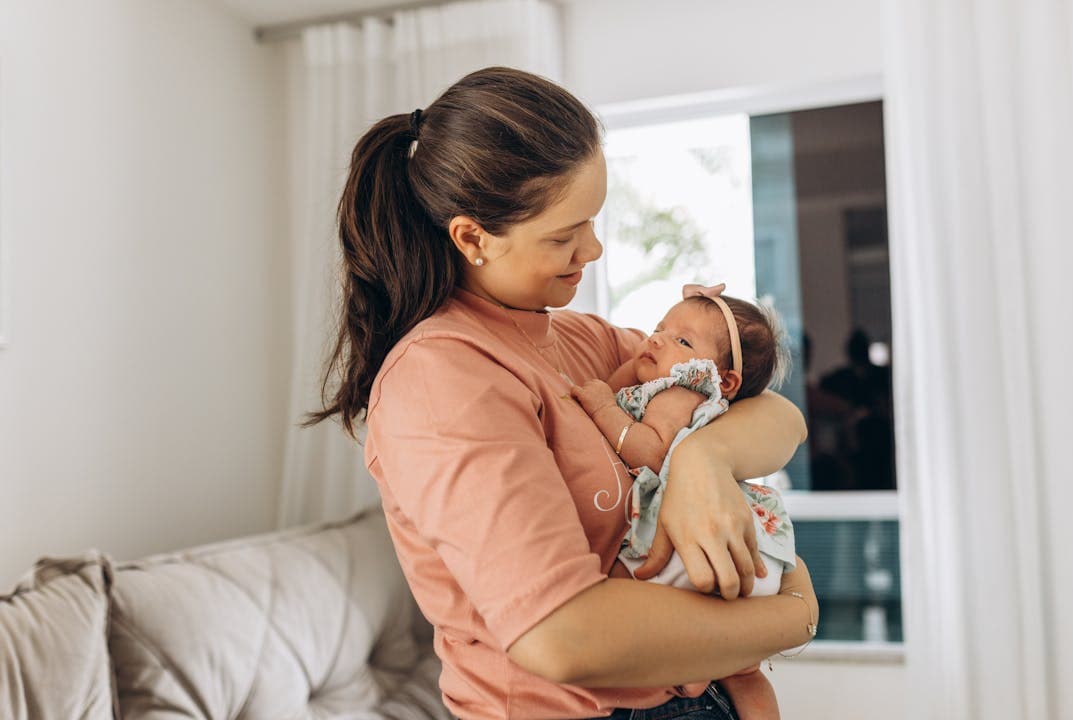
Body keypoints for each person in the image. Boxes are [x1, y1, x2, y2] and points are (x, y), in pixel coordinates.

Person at [305, 67, 817, 720]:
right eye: (564, 234)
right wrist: (793, 616)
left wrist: (703, 460)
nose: (594, 248)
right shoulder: (441, 378)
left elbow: (776, 414)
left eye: (593, 221)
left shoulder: (581, 339)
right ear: (472, 238)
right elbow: (561, 636)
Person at [571, 292, 797, 720]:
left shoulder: (680, 392)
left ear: (724, 381)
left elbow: (652, 451)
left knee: (615, 587)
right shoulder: (668, 385)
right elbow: (620, 383)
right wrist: (648, 354)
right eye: (659, 328)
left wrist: (601, 406)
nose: (657, 339)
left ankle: (692, 671)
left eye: (683, 341)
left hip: (690, 547)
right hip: (742, 551)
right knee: (745, 672)